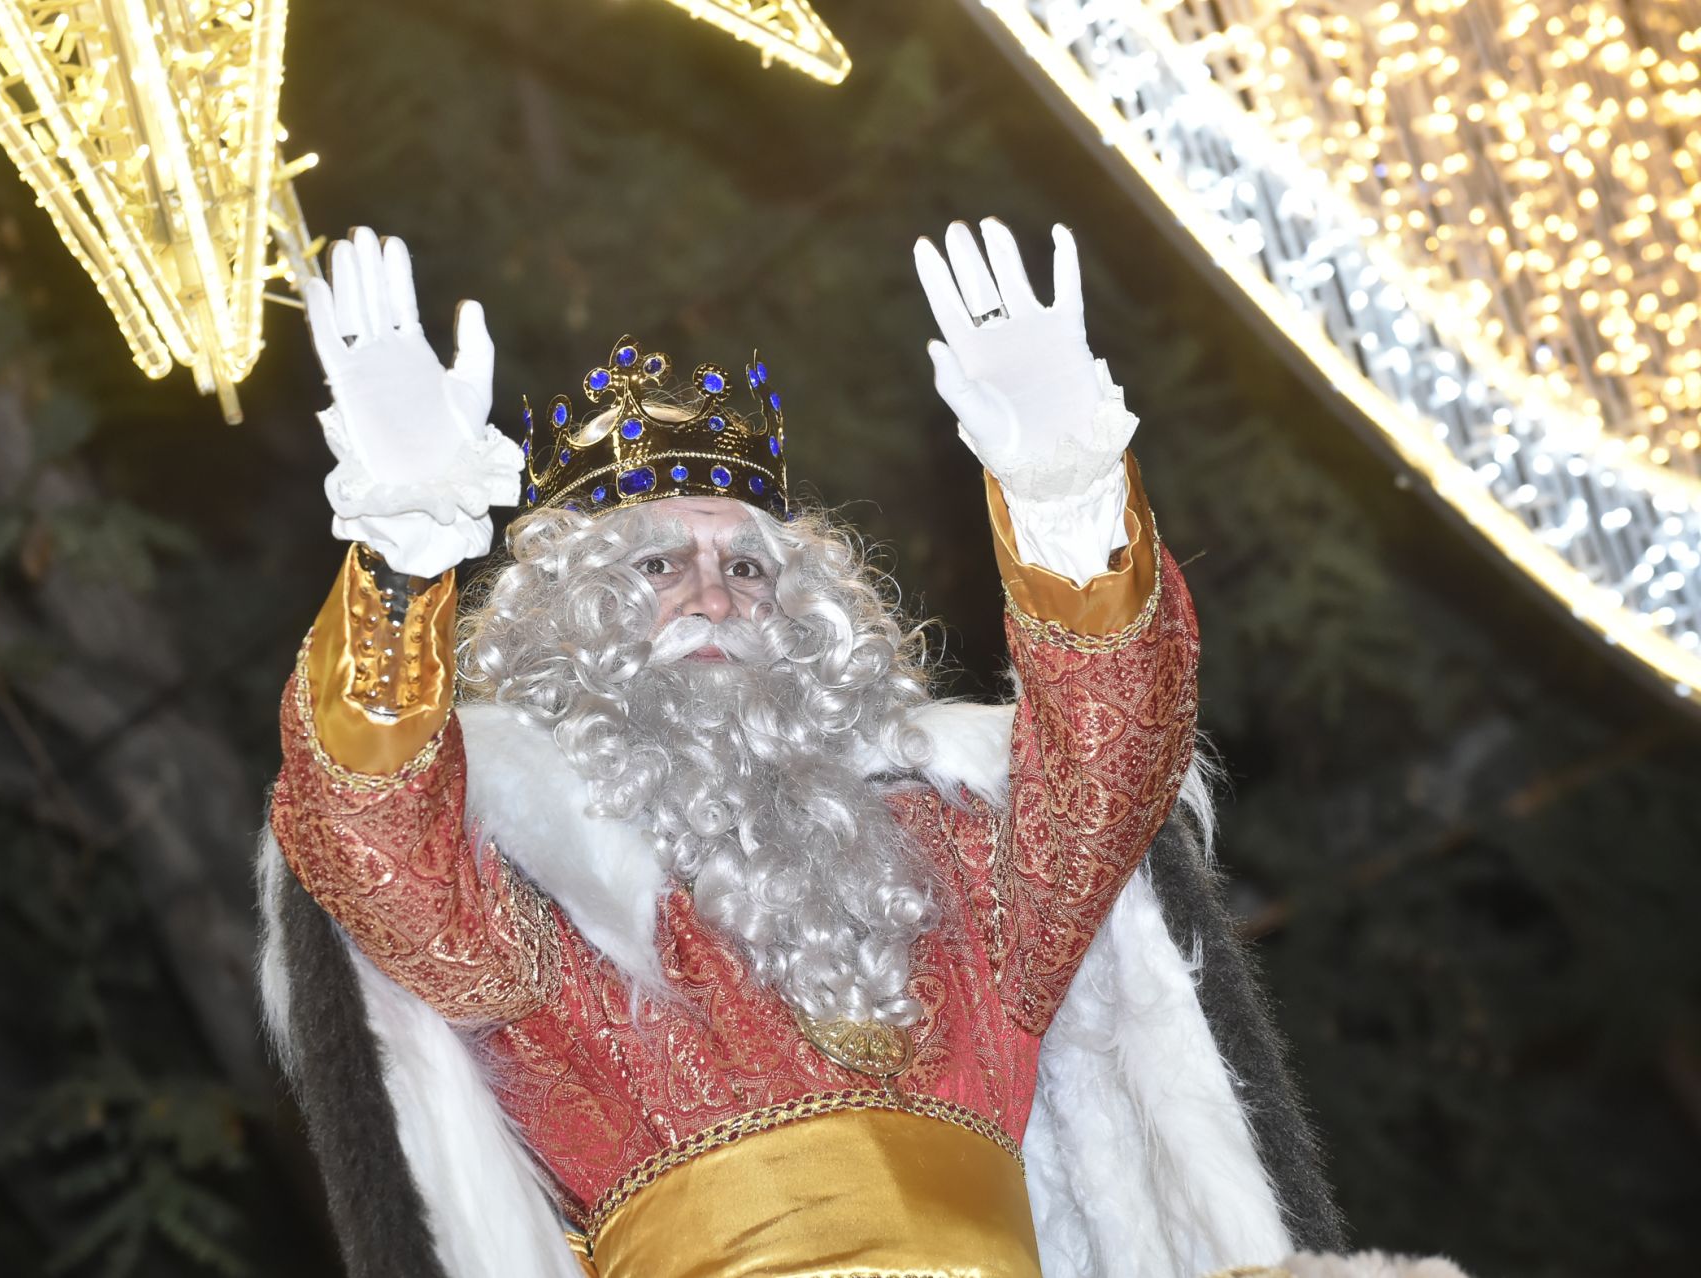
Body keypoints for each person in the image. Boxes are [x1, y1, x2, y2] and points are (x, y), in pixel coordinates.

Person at [257, 220, 1346, 1278]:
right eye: (654, 568)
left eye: (749, 568)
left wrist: (1067, 493)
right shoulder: (552, 906)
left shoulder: (951, 869)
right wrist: (403, 553)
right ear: (570, 619)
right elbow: (369, 840)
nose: (711, 596)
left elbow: (1114, 762)